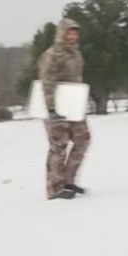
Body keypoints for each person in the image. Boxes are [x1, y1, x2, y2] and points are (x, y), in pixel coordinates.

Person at [38, 17, 91, 200]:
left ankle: (68, 181)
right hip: (56, 108)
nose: (73, 36)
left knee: (82, 139)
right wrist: (51, 109)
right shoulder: (52, 55)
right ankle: (55, 187)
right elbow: (47, 82)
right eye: (69, 32)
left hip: (74, 107)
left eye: (75, 32)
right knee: (58, 147)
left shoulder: (75, 54)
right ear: (62, 33)